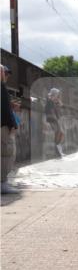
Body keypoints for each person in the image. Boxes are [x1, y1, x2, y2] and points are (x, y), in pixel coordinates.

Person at [1, 65, 19, 194]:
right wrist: (12, 124)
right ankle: (2, 183)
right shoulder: (1, 87)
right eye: (5, 73)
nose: (6, 76)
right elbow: (4, 110)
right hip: (3, 127)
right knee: (6, 154)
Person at [44, 88, 65, 158]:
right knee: (58, 131)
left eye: (58, 95)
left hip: (55, 118)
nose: (58, 96)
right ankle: (57, 149)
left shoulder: (54, 101)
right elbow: (50, 110)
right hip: (51, 118)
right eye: (57, 94)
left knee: (62, 133)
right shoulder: (49, 100)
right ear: (54, 94)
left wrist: (58, 101)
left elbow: (62, 106)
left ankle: (57, 148)